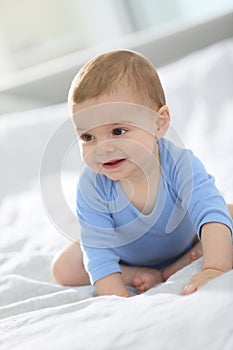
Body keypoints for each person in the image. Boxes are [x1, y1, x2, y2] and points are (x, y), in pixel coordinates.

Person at [51, 50, 233, 297]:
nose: (103, 148)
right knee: (64, 268)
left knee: (223, 213)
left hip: (185, 240)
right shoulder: (92, 184)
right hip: (126, 256)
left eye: (117, 131)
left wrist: (214, 268)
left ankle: (194, 253)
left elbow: (208, 211)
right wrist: (119, 299)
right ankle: (135, 272)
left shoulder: (180, 163)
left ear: (159, 123)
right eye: (88, 137)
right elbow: (98, 252)